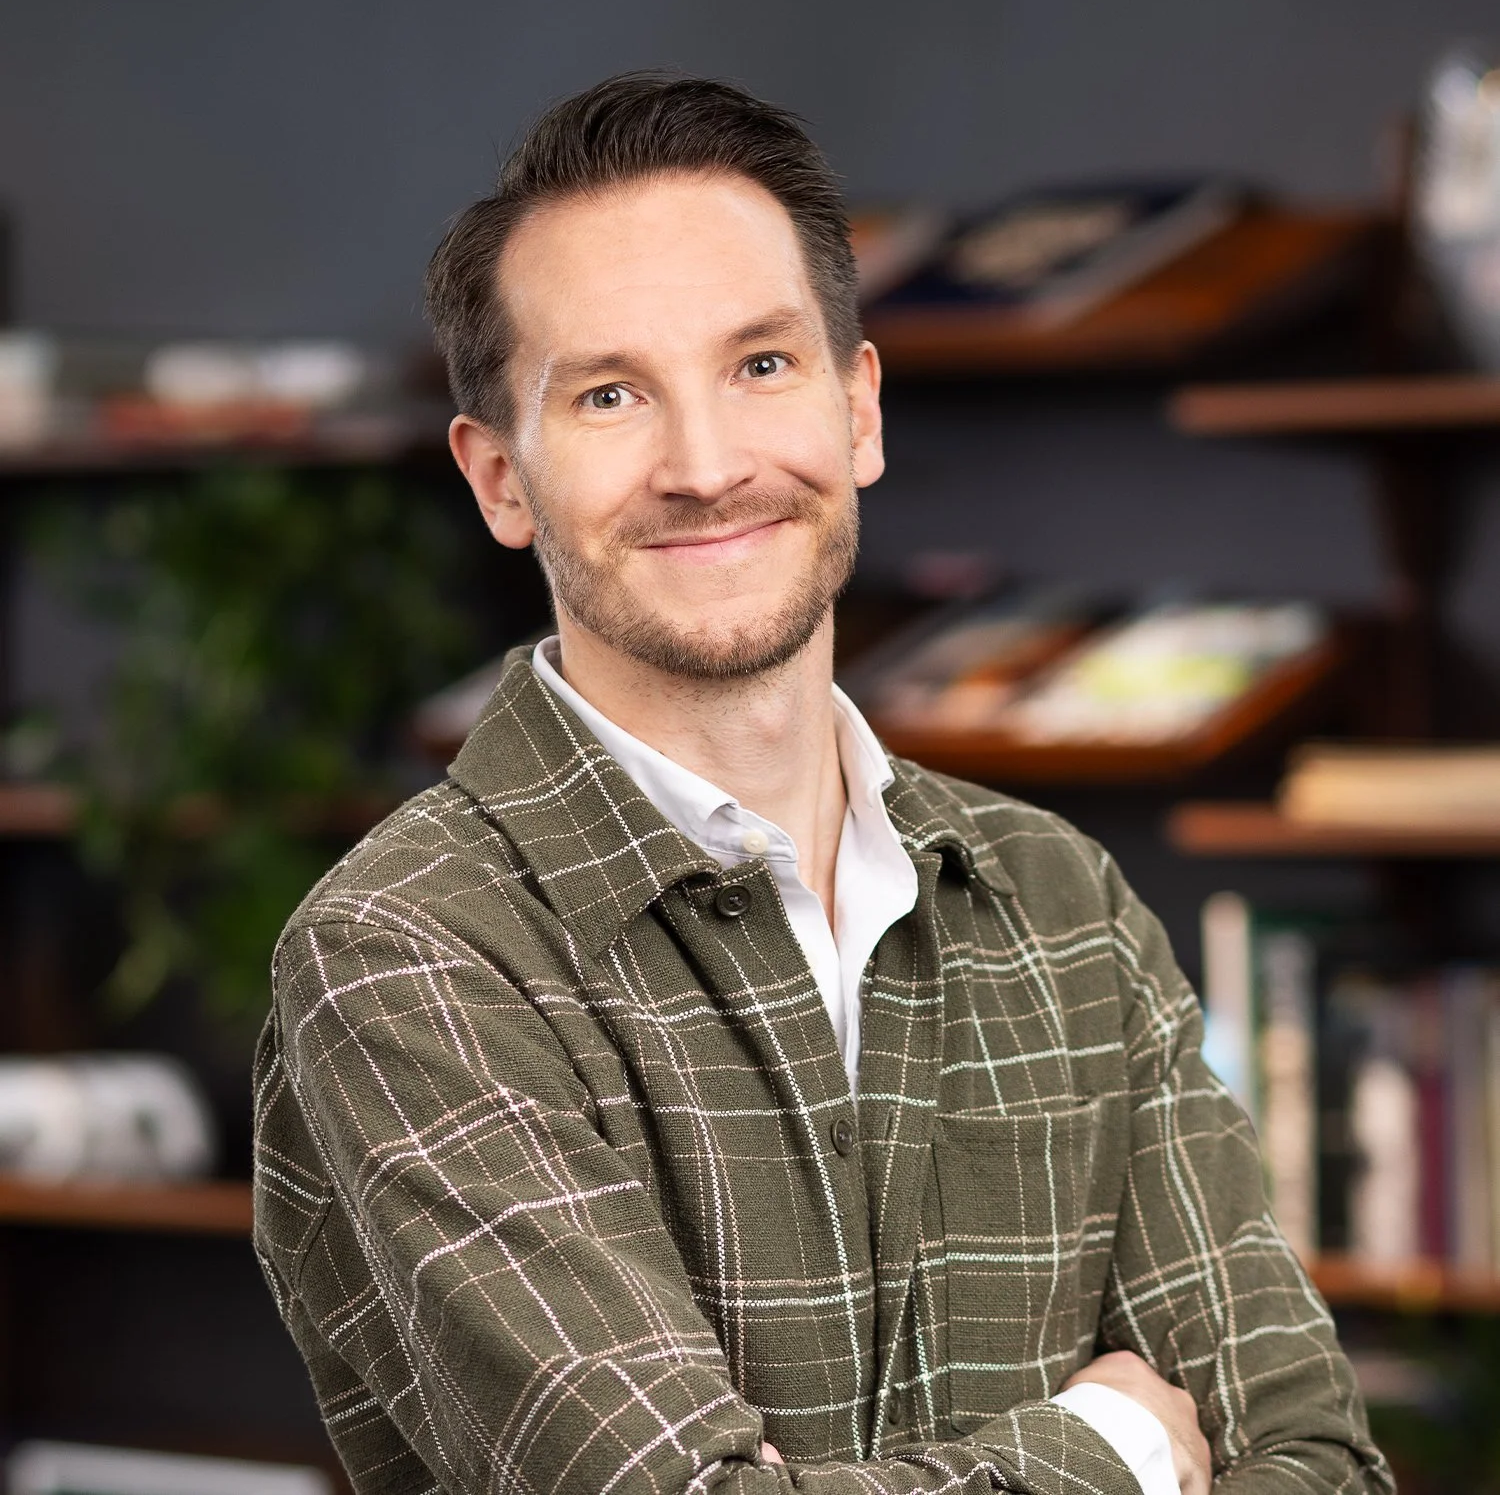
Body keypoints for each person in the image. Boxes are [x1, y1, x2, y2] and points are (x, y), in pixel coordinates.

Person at [252, 72, 1391, 1495]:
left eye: (763, 366)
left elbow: (1318, 1465)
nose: (710, 465)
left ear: (858, 410)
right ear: (500, 479)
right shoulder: (410, 958)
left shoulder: (1059, 903)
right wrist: (1112, 1451)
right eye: (610, 394)